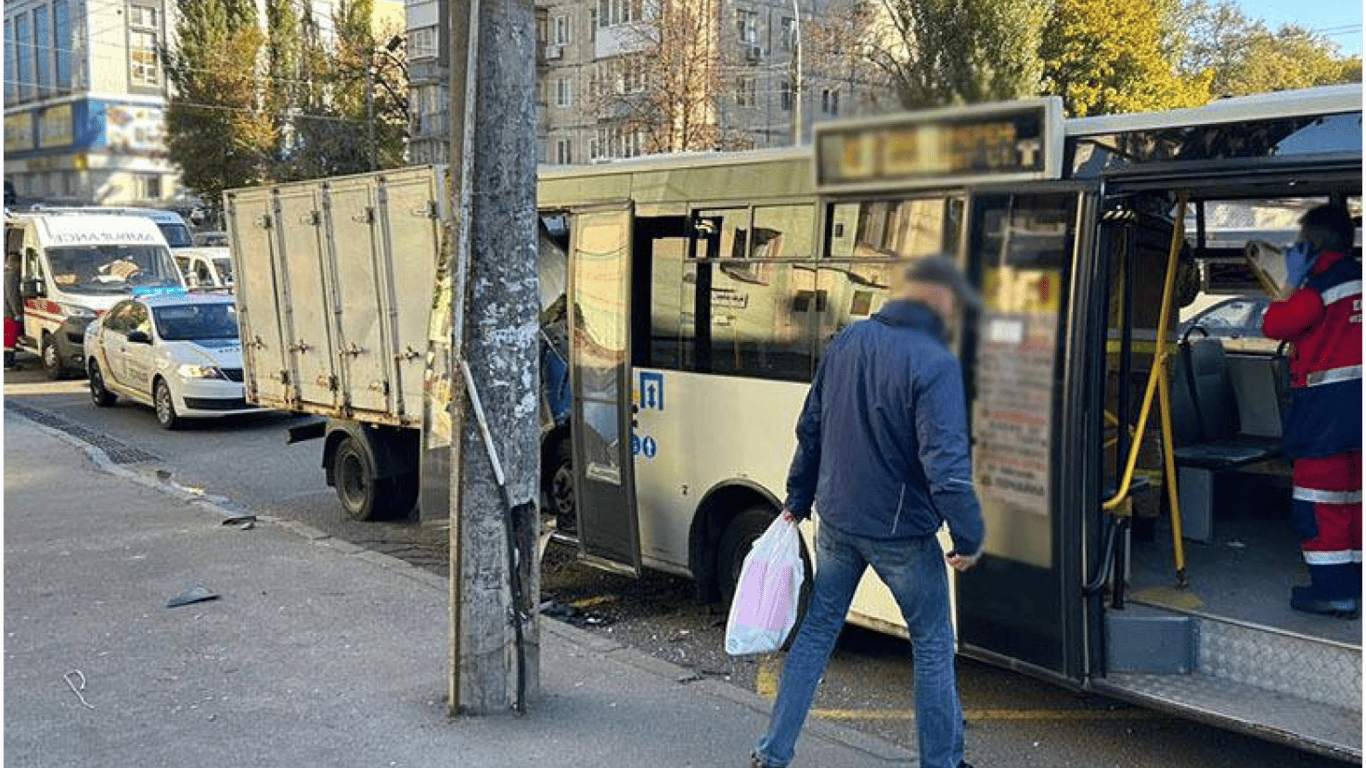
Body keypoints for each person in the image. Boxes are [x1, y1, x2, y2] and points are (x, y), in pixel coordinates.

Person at [751, 255, 986, 768]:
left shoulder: (846, 343)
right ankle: (942, 762)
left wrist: (797, 499)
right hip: (900, 532)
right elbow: (945, 468)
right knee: (931, 641)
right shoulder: (934, 362)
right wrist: (968, 537)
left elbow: (810, 428)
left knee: (816, 631)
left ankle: (772, 754)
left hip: (836, 520)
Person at [1260, 202, 1362, 619]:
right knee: (1353, 500)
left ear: (1315, 244)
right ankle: (1351, 578)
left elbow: (1274, 326)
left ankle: (1334, 591)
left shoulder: (1317, 289)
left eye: (1301, 242)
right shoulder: (1357, 279)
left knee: (1319, 504)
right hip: (1356, 420)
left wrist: (1289, 286)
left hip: (1327, 419)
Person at [3, 250, 23, 370]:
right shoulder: (11, 275)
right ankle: (7, 363)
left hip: (6, 311)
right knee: (8, 340)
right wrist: (17, 313)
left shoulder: (7, 273)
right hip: (8, 313)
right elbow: (12, 295)